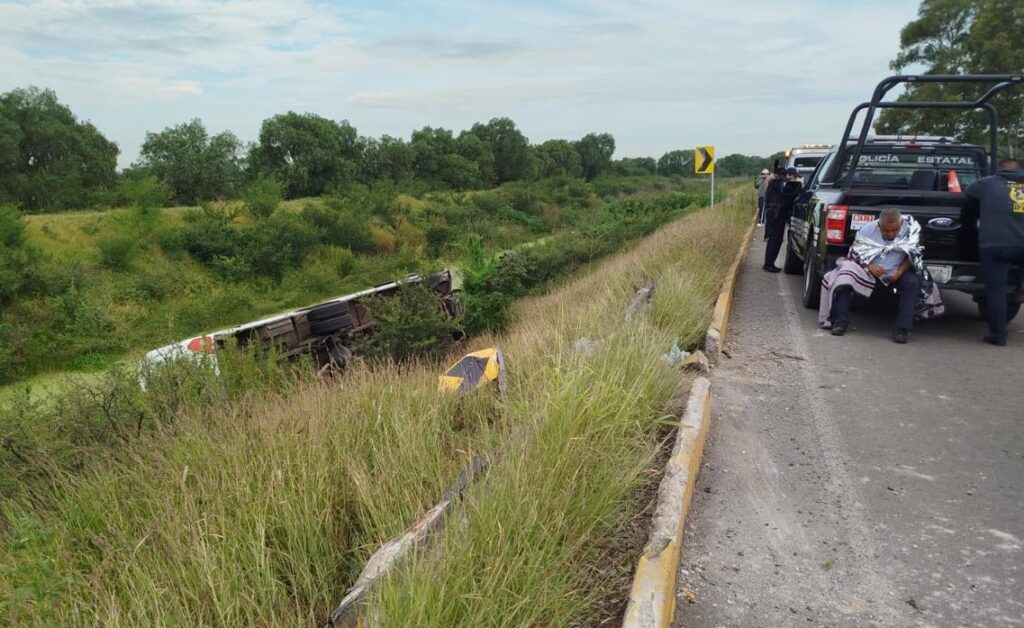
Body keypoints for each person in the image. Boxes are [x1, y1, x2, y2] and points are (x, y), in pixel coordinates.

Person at [818, 208, 943, 344]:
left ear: (900, 225)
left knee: (913, 282)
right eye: (886, 231)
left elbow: (914, 256)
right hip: (867, 270)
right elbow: (855, 253)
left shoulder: (910, 229)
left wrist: (899, 272)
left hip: (896, 271)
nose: (891, 234)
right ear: (879, 226)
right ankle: (840, 322)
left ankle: (902, 328)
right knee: (844, 277)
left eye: (894, 230)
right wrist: (869, 266)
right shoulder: (867, 231)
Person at [964, 158, 1024, 346]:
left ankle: (998, 335)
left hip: (994, 246)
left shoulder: (987, 183)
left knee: (995, 292)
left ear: (998, 170)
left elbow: (968, 192)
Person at [762, 167, 801, 272]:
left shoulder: (775, 183)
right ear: (787, 175)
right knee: (775, 240)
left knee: (775, 240)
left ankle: (770, 263)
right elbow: (789, 194)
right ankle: (769, 264)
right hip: (777, 215)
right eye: (793, 176)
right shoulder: (780, 184)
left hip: (775, 214)